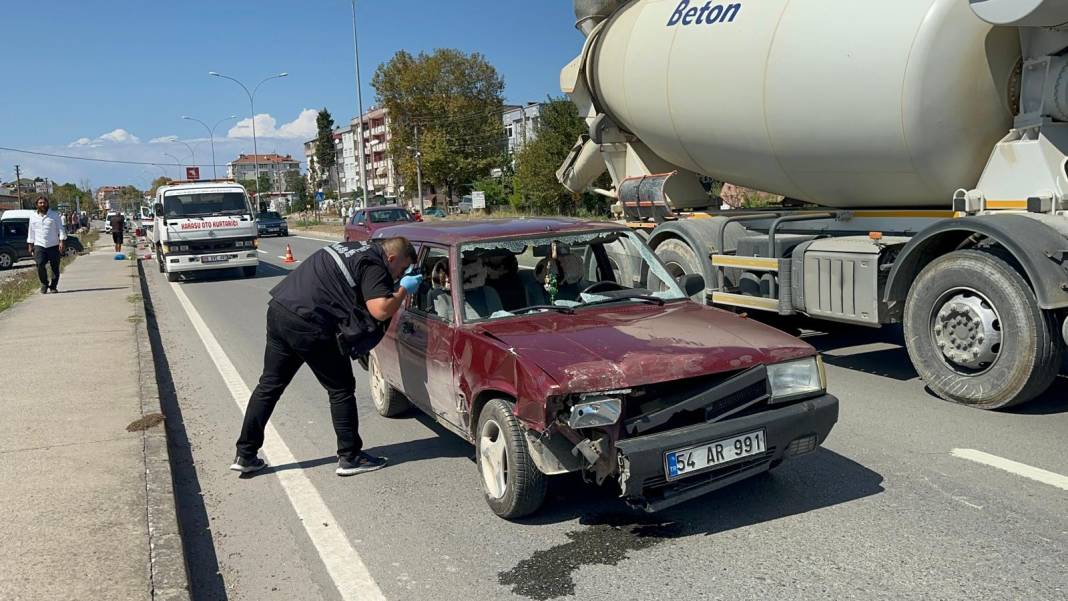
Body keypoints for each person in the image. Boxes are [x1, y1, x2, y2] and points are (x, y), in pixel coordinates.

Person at [231, 236, 422, 477]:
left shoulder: (355, 247)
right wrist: (404, 288)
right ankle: (350, 457)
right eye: (402, 268)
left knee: (269, 385)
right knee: (341, 388)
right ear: (392, 258)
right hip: (310, 323)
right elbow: (381, 310)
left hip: (281, 310)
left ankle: (245, 454)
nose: (400, 273)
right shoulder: (374, 263)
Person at [26, 196, 66, 294]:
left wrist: (61, 241)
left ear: (47, 204)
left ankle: (53, 286)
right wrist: (30, 244)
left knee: (55, 267)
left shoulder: (54, 215)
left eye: (44, 203)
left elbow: (61, 229)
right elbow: (31, 232)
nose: (42, 205)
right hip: (39, 245)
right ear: (37, 205)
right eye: (40, 203)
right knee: (40, 264)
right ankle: (44, 284)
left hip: (53, 244)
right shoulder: (33, 217)